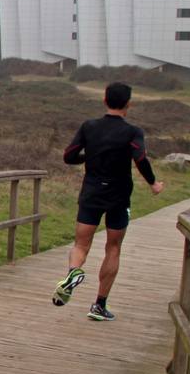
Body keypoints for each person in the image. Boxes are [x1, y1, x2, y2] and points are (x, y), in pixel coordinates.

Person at [52, 81, 165, 320]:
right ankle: (99, 306)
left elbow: (68, 156)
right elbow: (141, 158)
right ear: (128, 104)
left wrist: (88, 156)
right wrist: (153, 183)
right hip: (118, 194)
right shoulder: (132, 132)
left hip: (92, 192)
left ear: (104, 100)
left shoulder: (89, 126)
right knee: (113, 247)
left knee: (81, 244)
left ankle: (74, 273)